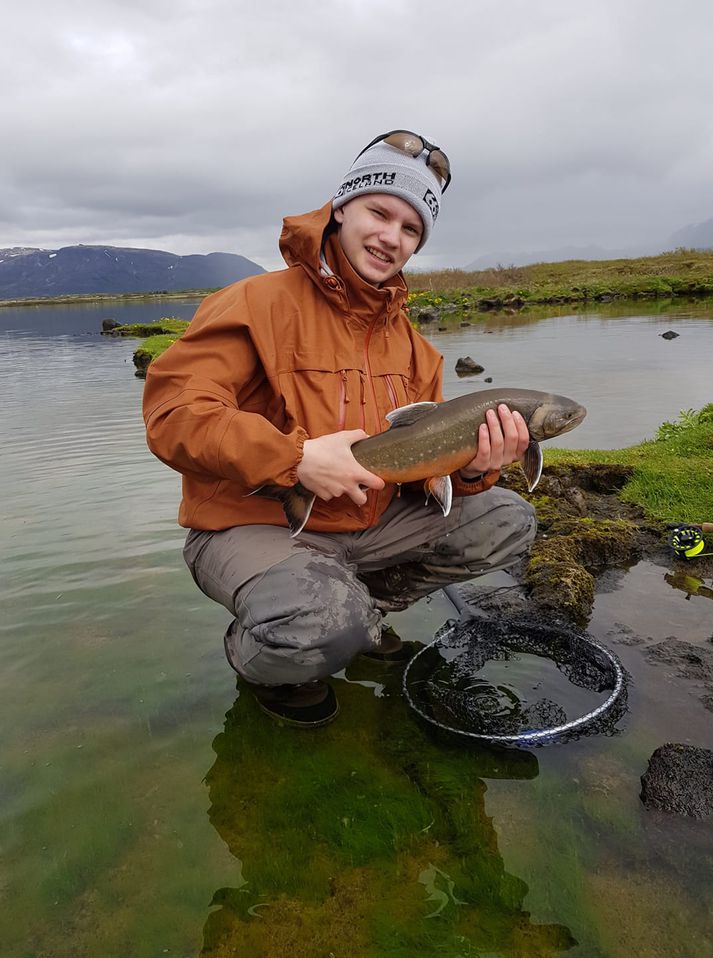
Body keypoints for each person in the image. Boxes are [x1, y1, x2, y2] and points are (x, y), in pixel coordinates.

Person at [143, 130, 536, 727]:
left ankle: (359, 615)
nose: (391, 237)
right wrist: (294, 458)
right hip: (251, 523)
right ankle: (266, 660)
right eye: (380, 212)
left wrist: (476, 468)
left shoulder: (416, 349)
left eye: (411, 229)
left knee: (506, 520)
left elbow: (423, 474)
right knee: (318, 620)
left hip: (367, 526)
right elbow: (173, 416)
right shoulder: (254, 303)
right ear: (341, 208)